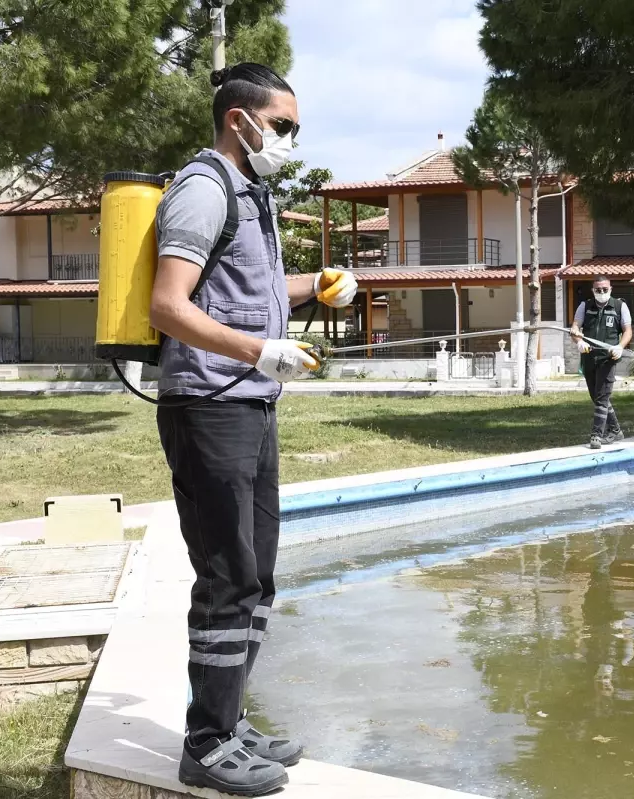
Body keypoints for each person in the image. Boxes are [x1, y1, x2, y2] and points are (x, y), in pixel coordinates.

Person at [148, 63, 358, 796]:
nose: (291, 139)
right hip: (209, 405)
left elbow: (250, 290)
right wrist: (259, 350)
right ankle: (205, 744)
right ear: (240, 120)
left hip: (250, 404)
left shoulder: (250, 194)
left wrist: (316, 284)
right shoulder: (203, 189)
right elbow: (168, 305)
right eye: (284, 125)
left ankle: (229, 720)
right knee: (227, 576)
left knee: (255, 575)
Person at [571, 275, 633, 449]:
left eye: (605, 289)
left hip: (608, 358)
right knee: (596, 397)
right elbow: (575, 328)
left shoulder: (620, 306)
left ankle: (597, 436)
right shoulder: (585, 306)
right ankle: (616, 431)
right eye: (598, 290)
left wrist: (620, 346)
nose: (602, 292)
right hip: (589, 357)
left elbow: (628, 331)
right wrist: (579, 342)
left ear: (611, 289)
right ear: (593, 290)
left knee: (602, 398)